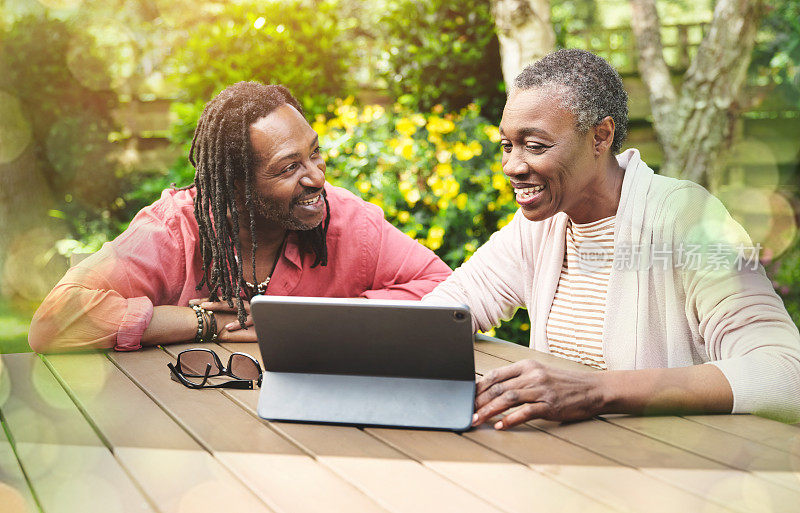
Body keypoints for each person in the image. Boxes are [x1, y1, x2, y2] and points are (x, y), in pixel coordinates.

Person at [424, 49, 800, 426]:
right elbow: (444, 312)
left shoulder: (686, 217)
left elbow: (786, 374)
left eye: (535, 146)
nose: (513, 166)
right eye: (507, 145)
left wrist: (596, 391)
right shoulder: (539, 226)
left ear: (601, 136)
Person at [29, 82, 452, 353]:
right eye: (290, 168)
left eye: (315, 153)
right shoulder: (174, 230)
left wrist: (312, 322)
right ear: (235, 188)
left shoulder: (346, 220)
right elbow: (54, 322)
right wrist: (206, 322)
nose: (317, 177)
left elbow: (447, 295)